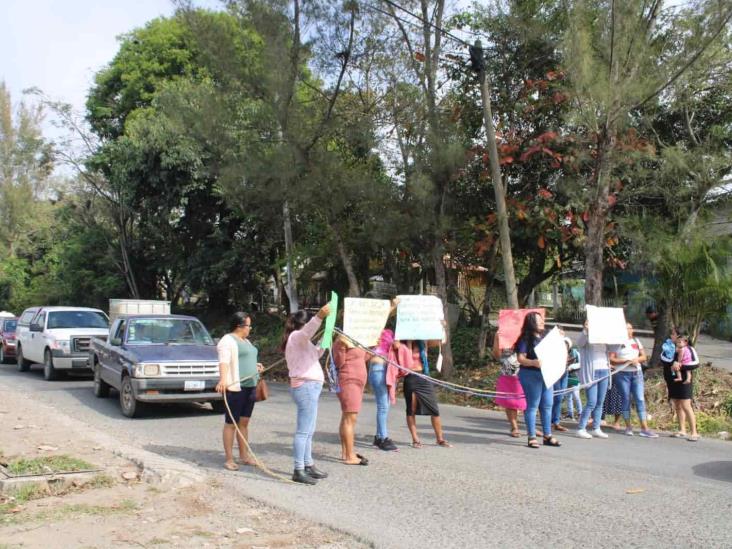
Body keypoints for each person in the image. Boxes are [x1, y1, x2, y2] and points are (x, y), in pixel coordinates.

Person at [281, 304, 331, 485]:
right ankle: (298, 469)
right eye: (310, 321)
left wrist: (326, 336)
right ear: (306, 322)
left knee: (309, 431)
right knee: (303, 431)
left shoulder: (303, 341)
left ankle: (308, 464)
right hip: (306, 387)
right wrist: (319, 317)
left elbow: (316, 354)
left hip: (311, 387)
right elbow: (307, 332)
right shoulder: (296, 336)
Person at [215, 312, 264, 471]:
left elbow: (246, 359)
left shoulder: (247, 341)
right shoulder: (227, 340)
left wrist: (256, 366)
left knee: (244, 422)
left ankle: (244, 455)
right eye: (248, 325)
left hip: (250, 385)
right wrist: (223, 380)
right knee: (231, 423)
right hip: (236, 387)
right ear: (239, 326)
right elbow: (224, 361)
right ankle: (229, 458)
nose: (250, 328)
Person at [393, 338, 452, 448]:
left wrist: (441, 327)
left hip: (424, 377)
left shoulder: (423, 341)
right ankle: (415, 439)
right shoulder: (402, 344)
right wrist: (408, 341)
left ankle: (440, 439)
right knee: (411, 410)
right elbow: (400, 353)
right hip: (411, 377)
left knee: (434, 409)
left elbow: (441, 341)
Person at [515, 312, 559, 448]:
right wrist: (533, 362)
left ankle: (547, 435)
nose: (541, 322)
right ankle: (531, 436)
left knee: (547, 404)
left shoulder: (546, 337)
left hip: (547, 374)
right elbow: (520, 359)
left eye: (542, 320)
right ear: (531, 322)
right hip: (530, 374)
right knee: (532, 406)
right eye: (538, 320)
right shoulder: (525, 339)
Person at [609, 323, 658, 438]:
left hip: (637, 373)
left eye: (630, 328)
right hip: (622, 374)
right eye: (626, 328)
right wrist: (626, 361)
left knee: (640, 399)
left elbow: (644, 356)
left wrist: (636, 359)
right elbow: (611, 359)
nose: (629, 330)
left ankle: (644, 428)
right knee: (625, 398)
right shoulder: (617, 343)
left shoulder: (636, 341)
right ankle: (628, 426)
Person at [333, 334, 370, 465]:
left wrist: (373, 346)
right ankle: (350, 455)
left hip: (358, 381)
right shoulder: (341, 339)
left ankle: (346, 452)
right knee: (350, 418)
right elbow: (338, 362)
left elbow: (364, 358)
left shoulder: (358, 340)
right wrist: (341, 346)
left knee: (346, 417)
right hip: (348, 380)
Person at [575, 319, 611, 439]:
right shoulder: (586, 335)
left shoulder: (604, 335)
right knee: (592, 401)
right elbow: (579, 343)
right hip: (592, 372)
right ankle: (581, 428)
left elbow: (614, 348)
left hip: (604, 370)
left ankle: (596, 427)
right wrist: (586, 330)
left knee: (600, 401)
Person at [664, 330, 699, 441]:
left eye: (674, 334)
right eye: (671, 334)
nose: (672, 336)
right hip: (673, 380)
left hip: (685, 380)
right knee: (678, 405)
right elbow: (664, 359)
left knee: (686, 405)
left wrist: (680, 366)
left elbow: (696, 363)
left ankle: (694, 432)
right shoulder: (669, 347)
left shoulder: (690, 349)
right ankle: (682, 430)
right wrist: (673, 363)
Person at [368, 328, 398, 451]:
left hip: (386, 369)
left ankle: (379, 436)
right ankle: (383, 438)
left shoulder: (389, 333)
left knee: (386, 405)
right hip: (379, 368)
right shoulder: (373, 333)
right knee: (383, 406)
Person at [492, 330, 526, 438]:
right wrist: (497, 339)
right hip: (508, 375)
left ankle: (531, 427)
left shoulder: (527, 335)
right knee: (510, 402)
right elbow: (497, 356)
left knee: (529, 402)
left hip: (526, 374)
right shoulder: (503, 335)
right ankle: (514, 427)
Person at [550, 335, 572, 433]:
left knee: (560, 397)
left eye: (567, 347)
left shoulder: (568, 352)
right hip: (556, 374)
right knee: (557, 397)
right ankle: (554, 421)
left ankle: (555, 421)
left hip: (565, 373)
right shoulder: (554, 352)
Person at [561, 338, 582, 420]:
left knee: (576, 396)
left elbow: (580, 363)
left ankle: (580, 413)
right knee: (568, 396)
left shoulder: (575, 353)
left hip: (575, 376)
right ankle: (570, 413)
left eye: (566, 345)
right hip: (566, 376)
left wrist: (571, 366)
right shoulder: (562, 353)